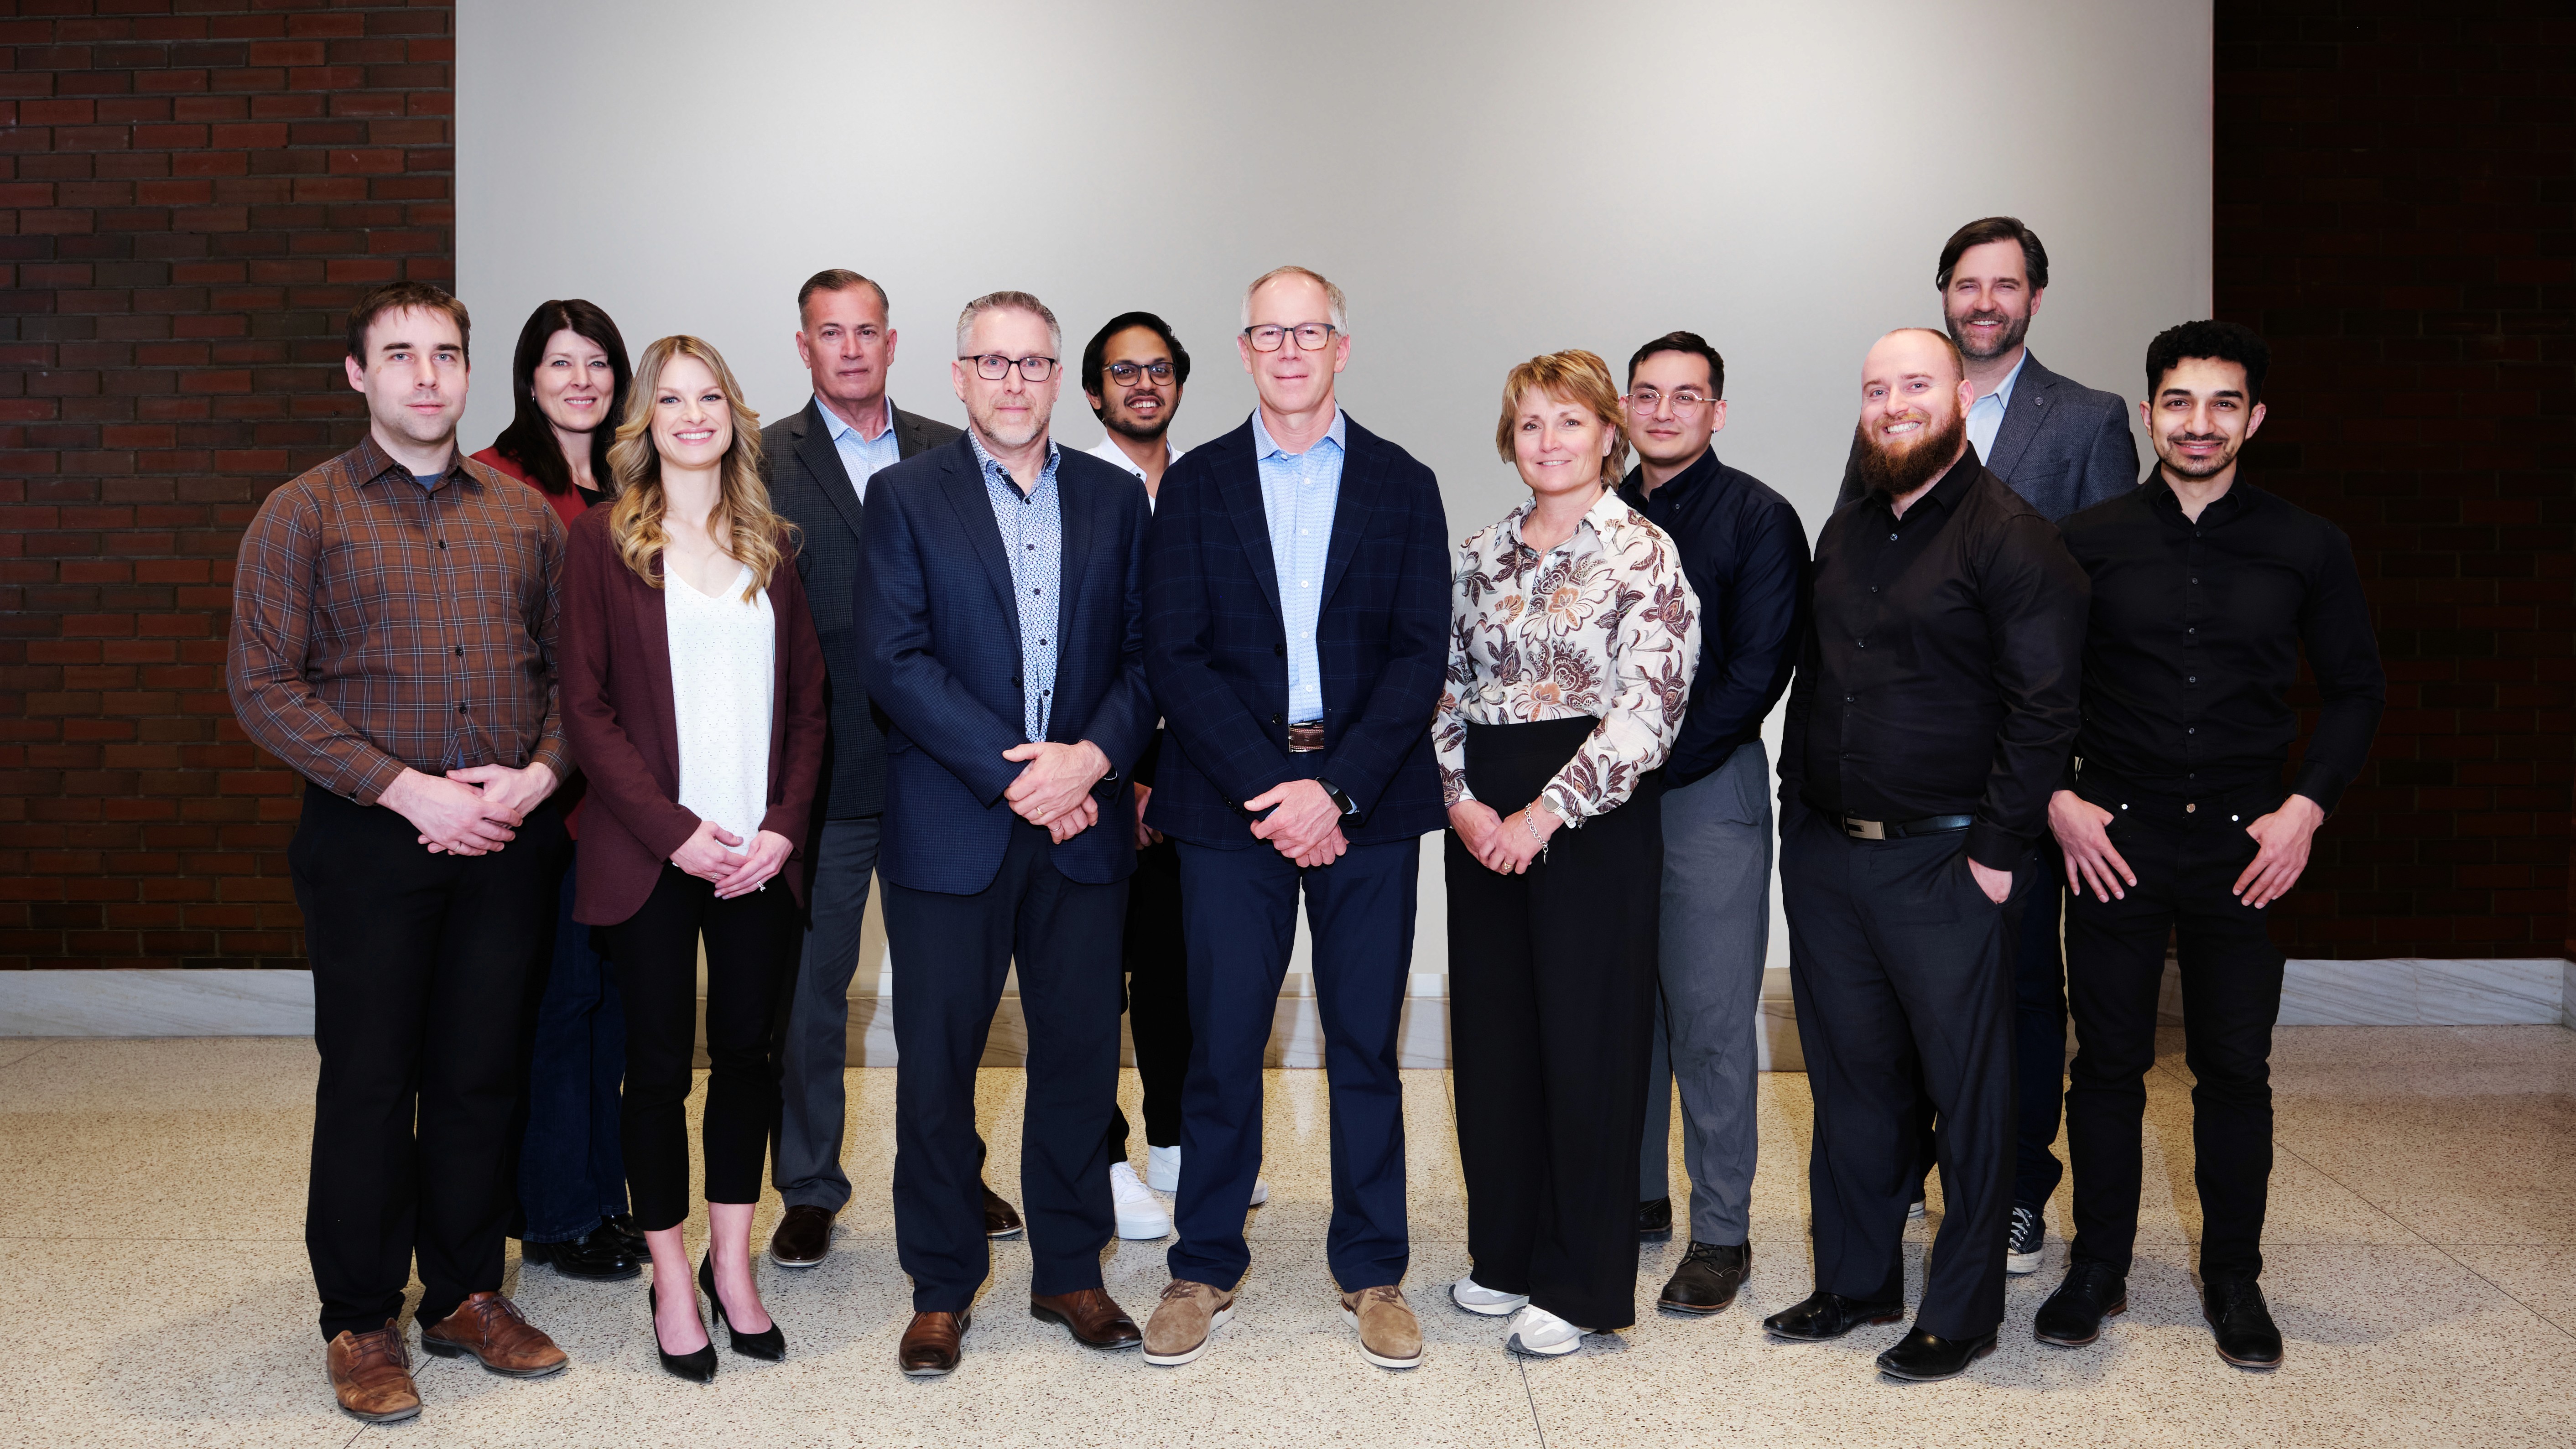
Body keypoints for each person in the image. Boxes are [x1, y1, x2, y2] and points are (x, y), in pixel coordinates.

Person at [228, 282, 573, 1424]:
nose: (427, 375)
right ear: (358, 373)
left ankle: (466, 1292)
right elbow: (263, 686)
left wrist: (538, 774)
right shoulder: (302, 512)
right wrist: (406, 786)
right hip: (369, 837)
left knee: (481, 1071)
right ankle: (362, 1316)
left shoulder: (521, 515)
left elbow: (572, 678)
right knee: (373, 1079)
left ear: (469, 370)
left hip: (504, 836)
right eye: (400, 354)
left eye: (446, 355)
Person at [2037, 321, 2383, 1369]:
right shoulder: (2084, 540)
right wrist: (2057, 797)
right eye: (2180, 402)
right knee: (2107, 1063)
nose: (2199, 423)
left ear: (2254, 418)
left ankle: (2234, 1277)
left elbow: (2357, 690)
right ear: (2149, 413)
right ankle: (2097, 1265)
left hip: (2245, 844)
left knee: (2234, 1067)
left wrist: (2305, 808)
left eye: (2223, 403)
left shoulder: (2308, 544)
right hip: (2116, 839)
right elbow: (2031, 685)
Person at [1139, 266, 1451, 1372]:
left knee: (1366, 1043)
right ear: (1243, 350)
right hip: (1232, 803)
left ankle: (1371, 1269)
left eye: (1307, 331)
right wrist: (1275, 789)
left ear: (1340, 348)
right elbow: (1174, 652)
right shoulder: (1197, 483)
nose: (1287, 350)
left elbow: (1419, 654)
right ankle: (1203, 1264)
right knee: (1223, 1042)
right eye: (1267, 333)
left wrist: (1335, 790)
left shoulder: (1403, 483)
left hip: (1368, 798)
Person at [1764, 327, 2087, 1383]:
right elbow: (1815, 678)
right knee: (1852, 1079)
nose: (1893, 403)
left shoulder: (2012, 538)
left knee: (1969, 1092)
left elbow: (2045, 711)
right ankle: (1857, 1279)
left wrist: (1996, 853)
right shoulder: (1848, 524)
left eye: (1915, 384)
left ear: (1958, 398)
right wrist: (1796, 818)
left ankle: (1963, 1310)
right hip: (1831, 858)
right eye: (1876, 388)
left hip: (1949, 865)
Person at [860, 291, 1156, 1377]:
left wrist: (1091, 759)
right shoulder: (905, 495)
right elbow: (895, 660)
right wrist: (1025, 775)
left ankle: (1070, 1269)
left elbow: (1149, 654)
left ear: (1058, 377)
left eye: (1034, 362)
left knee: (1078, 1056)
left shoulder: (1115, 498)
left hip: (1084, 828)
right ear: (959, 376)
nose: (1014, 380)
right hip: (955, 825)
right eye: (993, 362)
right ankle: (941, 1286)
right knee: (937, 1068)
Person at [1838, 218, 2141, 1261]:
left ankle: (2015, 1184)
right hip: (1910, 774)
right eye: (1966, 284)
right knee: (1909, 995)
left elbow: (2102, 611)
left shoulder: (2088, 420)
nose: (1983, 301)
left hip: (2019, 776)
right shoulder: (1895, 414)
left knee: (2014, 991)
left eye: (2003, 284)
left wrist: (2056, 779)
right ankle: (1921, 1174)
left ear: (2034, 299)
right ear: (1944, 294)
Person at [559, 334, 826, 1381]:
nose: (692, 414)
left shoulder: (773, 544)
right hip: (653, 853)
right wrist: (676, 832)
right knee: (659, 1067)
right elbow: (586, 709)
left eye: (708, 395)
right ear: (646, 421)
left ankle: (732, 1266)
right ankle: (671, 1278)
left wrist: (783, 826)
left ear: (733, 413)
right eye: (670, 399)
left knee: (750, 1059)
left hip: (759, 855)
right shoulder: (602, 542)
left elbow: (809, 706)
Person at [1439, 350, 1701, 1356]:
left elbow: (1650, 709)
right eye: (1530, 423)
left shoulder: (1644, 552)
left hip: (1590, 822)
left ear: (1608, 433)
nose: (1548, 440)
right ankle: (1506, 1253)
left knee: (1588, 1048)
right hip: (1481, 822)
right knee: (1496, 1042)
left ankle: (1583, 1281)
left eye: (1570, 420)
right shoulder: (1477, 554)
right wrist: (1463, 803)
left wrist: (1541, 815)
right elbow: (1441, 687)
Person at [755, 270, 1017, 1272]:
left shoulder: (955, 450)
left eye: (867, 331)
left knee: (946, 999)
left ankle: (950, 1172)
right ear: (805, 347)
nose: (852, 349)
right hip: (821, 776)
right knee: (811, 1000)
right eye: (832, 333)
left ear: (894, 343)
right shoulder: (760, 460)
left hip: (942, 774)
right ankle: (810, 1187)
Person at [1612, 332, 1808, 1314]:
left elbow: (1756, 673)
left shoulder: (1759, 518)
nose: (1663, 411)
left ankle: (1721, 1231)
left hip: (1703, 789)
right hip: (1603, 794)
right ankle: (1639, 1196)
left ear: (1716, 411)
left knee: (1711, 1019)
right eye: (1646, 394)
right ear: (1624, 407)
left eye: (1685, 396)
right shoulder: (1599, 512)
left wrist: (1645, 760)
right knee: (1625, 1009)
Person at [470, 298, 645, 1285]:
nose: (581, 381)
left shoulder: (635, 484)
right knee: (561, 1006)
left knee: (616, 1009)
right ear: (529, 378)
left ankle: (603, 1197)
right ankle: (556, 1213)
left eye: (597, 363)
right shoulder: (496, 485)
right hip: (552, 798)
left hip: (633, 801)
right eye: (560, 362)